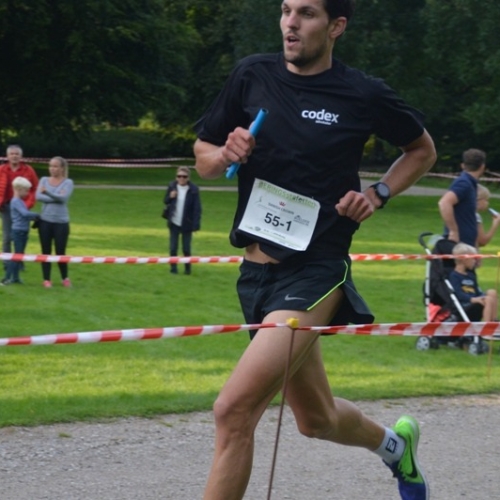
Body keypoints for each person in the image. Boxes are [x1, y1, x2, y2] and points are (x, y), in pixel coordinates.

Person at [193, 1, 436, 499]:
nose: (291, 22)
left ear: (336, 26)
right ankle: (396, 448)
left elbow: (422, 150)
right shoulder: (252, 75)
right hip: (255, 273)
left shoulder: (361, 93)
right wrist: (224, 153)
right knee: (315, 419)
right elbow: (204, 158)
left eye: (306, 13)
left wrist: (377, 193)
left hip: (316, 270)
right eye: (286, 10)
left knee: (233, 411)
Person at [35, 156, 74, 288]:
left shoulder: (68, 182)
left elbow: (63, 199)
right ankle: (46, 279)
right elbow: (38, 196)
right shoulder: (43, 180)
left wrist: (47, 193)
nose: (52, 169)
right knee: (45, 251)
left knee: (60, 251)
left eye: (56, 166)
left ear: (62, 168)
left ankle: (65, 278)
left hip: (61, 222)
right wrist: (55, 196)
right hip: (45, 221)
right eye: (51, 166)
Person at [438, 148, 486, 252]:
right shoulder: (464, 183)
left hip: (466, 244)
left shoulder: (470, 184)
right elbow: (444, 202)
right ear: (482, 166)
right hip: (459, 245)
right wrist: (453, 231)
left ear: (463, 165)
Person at [0, 145, 39, 265]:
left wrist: (28, 204)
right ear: (7, 156)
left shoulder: (28, 170)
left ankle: (19, 261)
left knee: (21, 235)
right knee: (7, 236)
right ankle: (7, 262)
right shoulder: (2, 169)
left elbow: (35, 188)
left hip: (22, 207)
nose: (14, 156)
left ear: (21, 156)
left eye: (17, 154)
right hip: (6, 207)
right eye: (12, 154)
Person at [1, 177, 39, 285]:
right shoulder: (15, 202)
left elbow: (24, 216)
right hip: (18, 232)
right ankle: (6, 278)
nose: (27, 193)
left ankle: (15, 278)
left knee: (20, 255)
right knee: (16, 256)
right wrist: (38, 215)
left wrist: (34, 218)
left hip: (23, 231)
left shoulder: (21, 201)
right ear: (18, 189)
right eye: (26, 190)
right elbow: (25, 214)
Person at [163, 166, 201, 275]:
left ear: (188, 178)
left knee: (186, 248)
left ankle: (187, 269)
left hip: (187, 223)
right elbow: (165, 201)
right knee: (173, 248)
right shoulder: (172, 186)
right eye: (179, 176)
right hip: (174, 222)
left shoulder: (193, 190)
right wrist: (170, 196)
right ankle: (173, 269)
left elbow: (197, 208)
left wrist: (196, 224)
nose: (181, 179)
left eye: (184, 176)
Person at [448, 242, 497, 321]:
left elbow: (476, 290)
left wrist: (480, 297)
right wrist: (473, 299)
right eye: (473, 258)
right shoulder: (454, 276)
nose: (475, 261)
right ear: (465, 259)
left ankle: (494, 321)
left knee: (492, 292)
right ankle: (487, 326)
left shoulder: (471, 275)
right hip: (465, 303)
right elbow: (458, 294)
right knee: (488, 299)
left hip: (474, 299)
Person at [475, 184, 500, 248]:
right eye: (486, 200)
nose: (487, 203)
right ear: (478, 200)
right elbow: (482, 241)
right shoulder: (475, 216)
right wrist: (495, 224)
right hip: (469, 251)